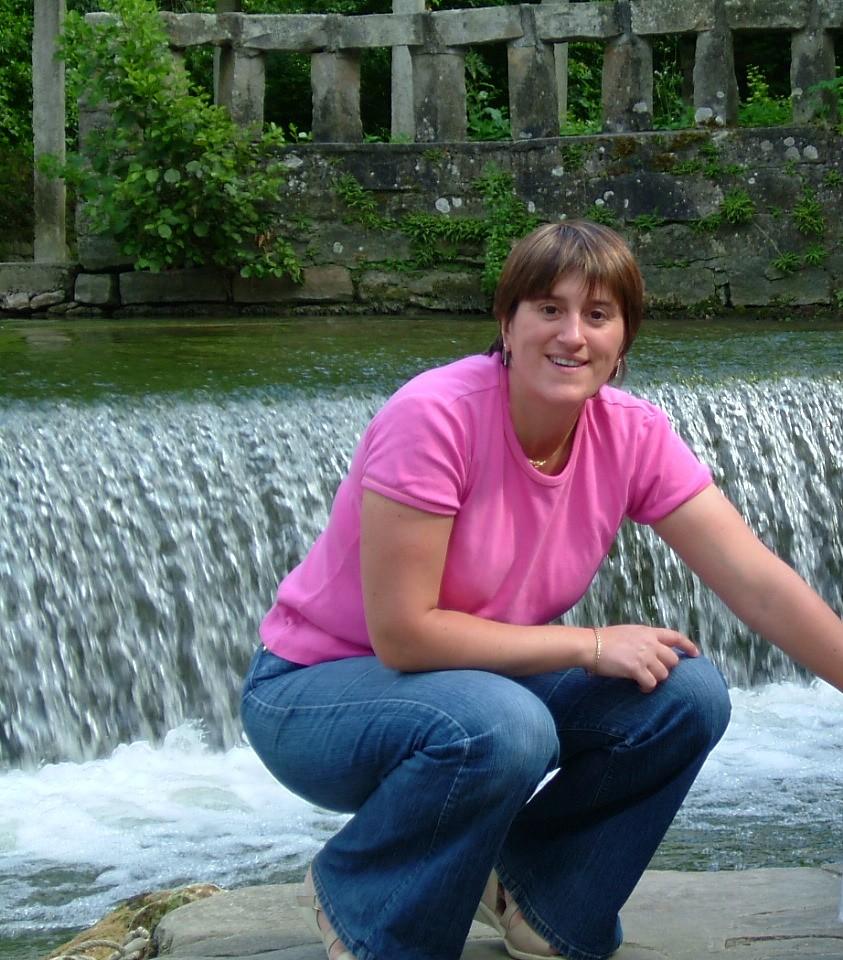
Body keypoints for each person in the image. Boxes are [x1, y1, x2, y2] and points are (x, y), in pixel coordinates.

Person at [240, 220, 843, 960]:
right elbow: (403, 635)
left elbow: (758, 584)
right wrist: (589, 645)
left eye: (598, 314)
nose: (572, 335)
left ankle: (535, 894)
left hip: (477, 685)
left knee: (684, 694)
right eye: (548, 309)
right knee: (505, 724)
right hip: (315, 694)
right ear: (507, 322)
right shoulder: (435, 415)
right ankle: (364, 901)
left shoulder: (631, 433)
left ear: (624, 338)